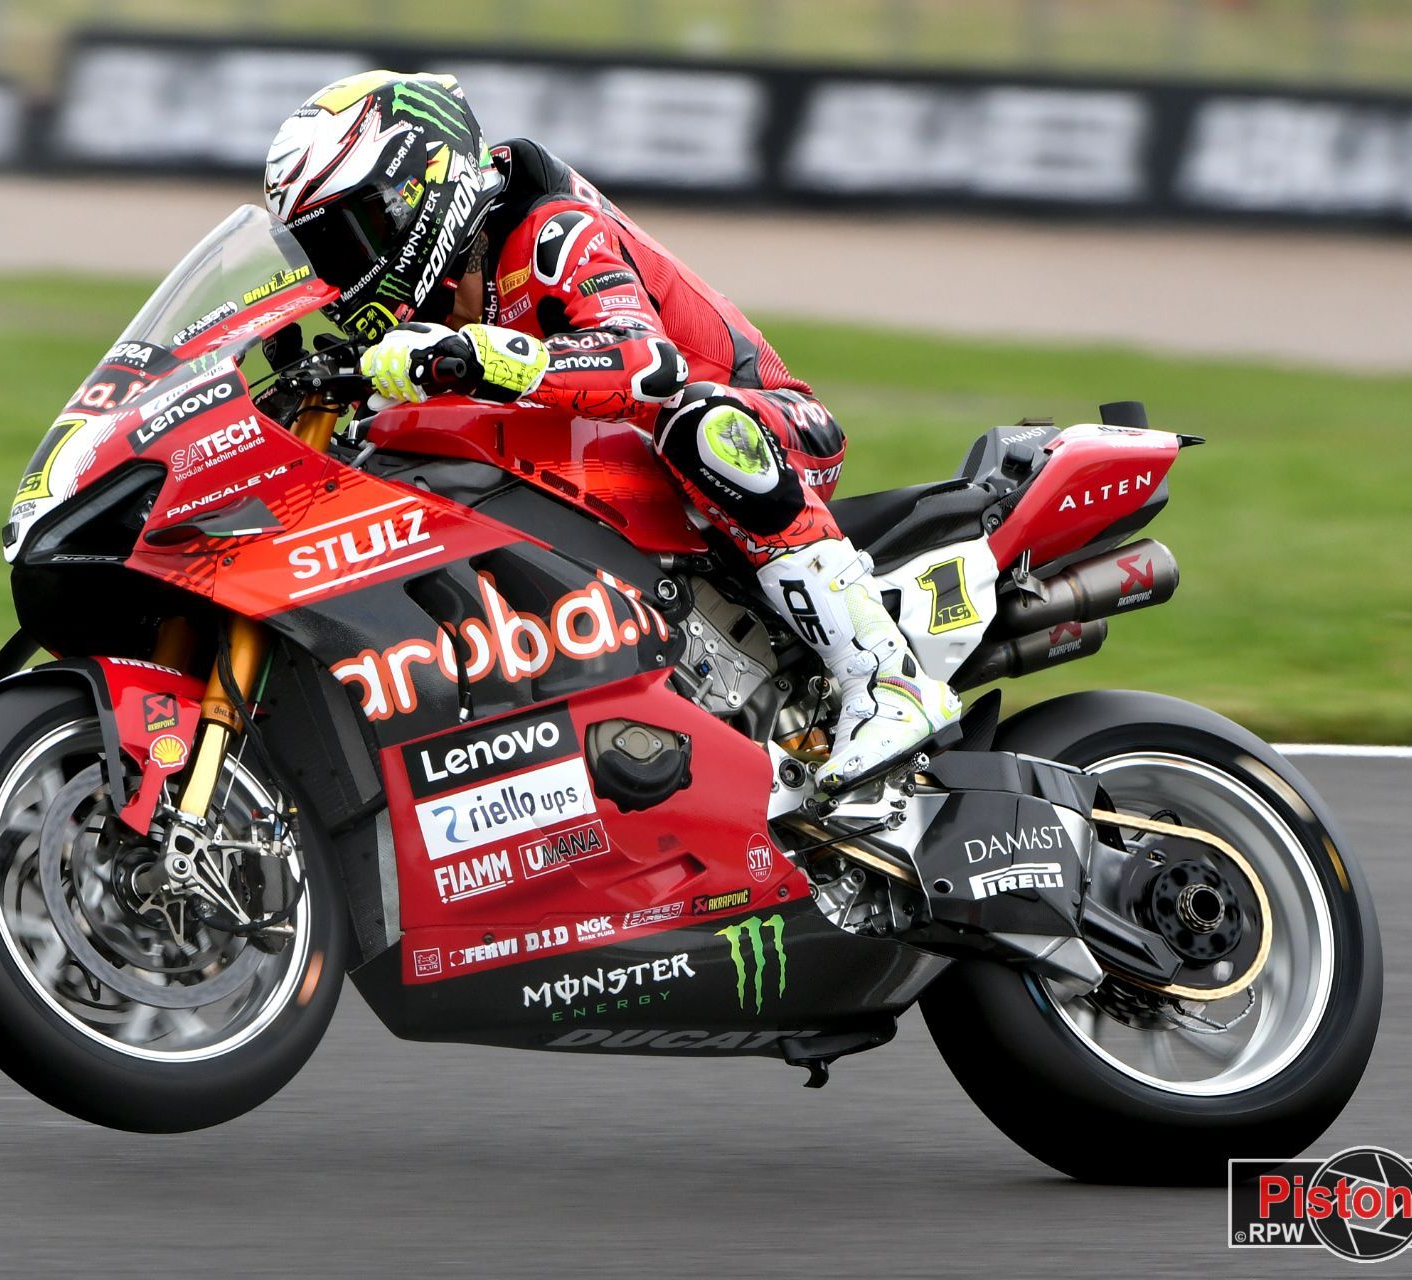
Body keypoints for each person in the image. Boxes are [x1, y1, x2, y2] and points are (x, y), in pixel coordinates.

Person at [263, 70, 959, 789]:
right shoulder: (433, 304)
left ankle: (885, 677)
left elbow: (646, 364)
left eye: (348, 240)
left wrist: (477, 357)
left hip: (769, 430)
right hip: (629, 467)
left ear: (420, 191)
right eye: (317, 255)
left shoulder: (550, 228)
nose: (338, 276)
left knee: (699, 424)